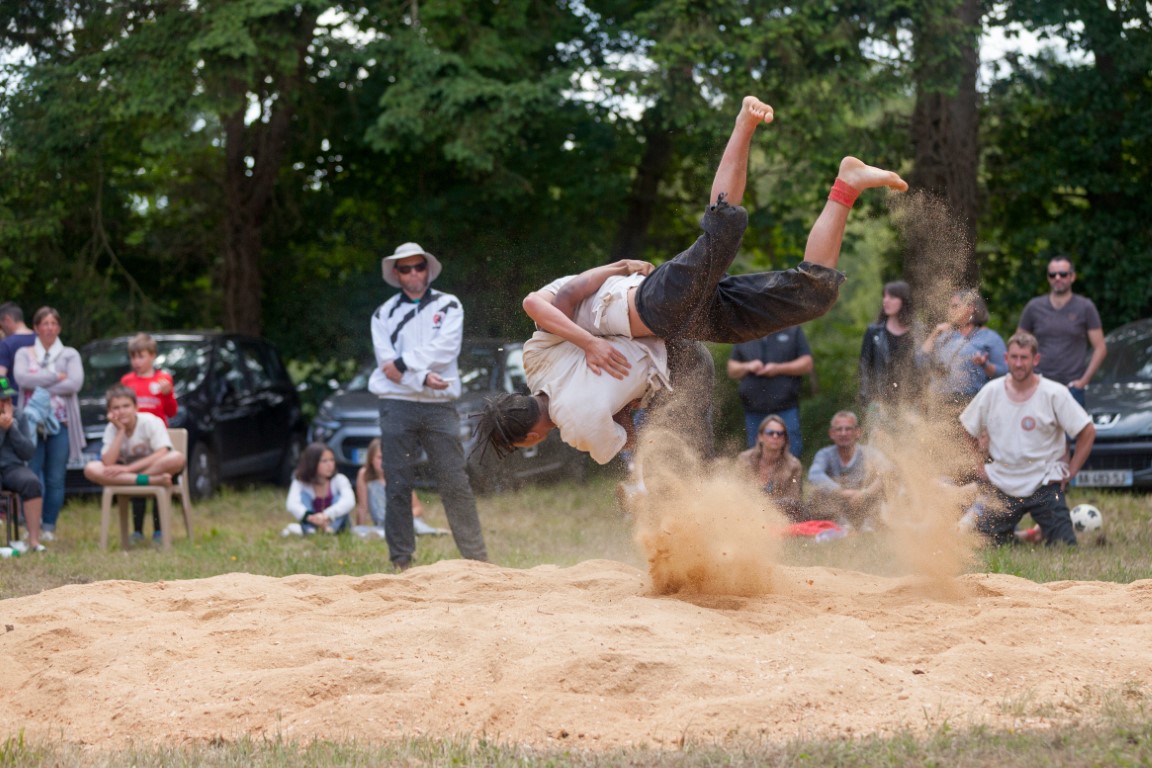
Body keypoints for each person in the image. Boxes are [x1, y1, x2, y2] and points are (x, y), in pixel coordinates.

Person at [475, 95, 908, 464]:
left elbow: (537, 303)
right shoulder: (548, 372)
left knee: (724, 230)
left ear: (529, 437)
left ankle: (744, 122)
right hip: (681, 332)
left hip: (650, 307)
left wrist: (594, 334)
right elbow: (627, 422)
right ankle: (846, 186)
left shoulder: (549, 381)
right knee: (812, 296)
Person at [369, 241, 487, 570]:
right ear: (396, 273)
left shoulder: (450, 306)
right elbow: (386, 367)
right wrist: (420, 378)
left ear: (428, 269)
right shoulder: (383, 314)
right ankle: (401, 560)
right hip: (397, 403)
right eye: (405, 268)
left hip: (439, 405)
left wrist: (406, 366)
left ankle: (477, 559)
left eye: (418, 266)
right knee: (397, 481)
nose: (413, 273)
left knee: (454, 480)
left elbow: (445, 350)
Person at [959, 331, 1096, 546]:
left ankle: (1040, 533)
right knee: (983, 543)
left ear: (1036, 360)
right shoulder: (991, 392)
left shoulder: (1054, 393)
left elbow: (1087, 431)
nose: (1019, 363)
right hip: (1002, 481)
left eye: (1024, 357)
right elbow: (967, 429)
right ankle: (1026, 537)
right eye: (1014, 357)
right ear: (1006, 359)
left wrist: (1072, 471)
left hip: (1045, 482)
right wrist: (979, 466)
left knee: (1064, 545)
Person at [12, 307, 86, 541]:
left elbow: (74, 384)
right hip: (31, 426)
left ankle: (48, 526)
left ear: (59, 327)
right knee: (31, 475)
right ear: (36, 327)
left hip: (61, 423)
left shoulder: (69, 354)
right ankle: (30, 525)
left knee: (55, 477)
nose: (49, 327)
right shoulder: (24, 353)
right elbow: (22, 379)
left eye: (54, 323)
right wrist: (56, 377)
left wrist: (39, 385)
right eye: (44, 323)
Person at [1015, 256, 1107, 408]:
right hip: (1038, 385)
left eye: (1063, 274)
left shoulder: (1085, 307)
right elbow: (1018, 344)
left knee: (1074, 432)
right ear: (1048, 278)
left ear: (1072, 276)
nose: (1057, 278)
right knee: (1036, 431)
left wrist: (1084, 381)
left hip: (1072, 388)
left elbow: (1101, 348)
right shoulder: (1034, 307)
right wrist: (1025, 376)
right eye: (1053, 274)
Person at [120, 333, 179, 543]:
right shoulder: (127, 381)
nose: (137, 361)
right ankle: (136, 530)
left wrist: (168, 393)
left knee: (160, 481)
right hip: (136, 444)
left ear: (153, 355)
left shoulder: (163, 380)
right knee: (139, 482)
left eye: (141, 356)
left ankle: (158, 530)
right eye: (133, 357)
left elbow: (171, 412)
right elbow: (121, 411)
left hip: (159, 444)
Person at [728, 327, 813, 456]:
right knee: (756, 455)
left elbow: (807, 364)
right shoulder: (745, 332)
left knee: (791, 452)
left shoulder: (792, 330)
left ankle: (792, 477)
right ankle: (757, 477)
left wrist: (778, 368)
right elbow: (732, 369)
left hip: (786, 407)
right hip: (753, 408)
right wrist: (747, 366)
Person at [83, 384, 186, 489]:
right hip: (134, 473)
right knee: (91, 468)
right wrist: (121, 431)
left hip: (151, 468)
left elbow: (162, 452)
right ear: (109, 411)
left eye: (126, 406)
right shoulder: (111, 428)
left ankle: (135, 480)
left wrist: (129, 469)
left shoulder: (150, 421)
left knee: (177, 457)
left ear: (136, 407)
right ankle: (149, 481)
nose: (122, 411)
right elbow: (108, 463)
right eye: (116, 408)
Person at [918, 289, 1007, 410]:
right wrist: (934, 334)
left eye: (955, 306)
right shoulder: (945, 336)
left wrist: (985, 364)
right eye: (950, 307)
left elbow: (1004, 373)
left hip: (971, 404)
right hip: (939, 403)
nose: (950, 311)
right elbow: (920, 361)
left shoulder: (989, 338)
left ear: (970, 308)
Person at [807, 411, 887, 529]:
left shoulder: (869, 453)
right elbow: (814, 475)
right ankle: (841, 525)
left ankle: (871, 523)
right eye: (839, 429)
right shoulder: (824, 454)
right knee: (817, 491)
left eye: (848, 429)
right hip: (837, 506)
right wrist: (841, 492)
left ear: (857, 432)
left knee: (885, 484)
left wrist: (865, 493)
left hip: (865, 503)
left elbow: (888, 472)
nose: (843, 433)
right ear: (832, 433)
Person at [354, 438, 447, 536]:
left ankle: (432, 532)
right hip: (382, 526)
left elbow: (418, 508)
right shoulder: (364, 475)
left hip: (402, 520)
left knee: (412, 525)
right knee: (358, 530)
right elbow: (362, 507)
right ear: (371, 459)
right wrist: (360, 528)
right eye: (380, 458)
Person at [0, 376, 46, 552]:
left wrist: (11, 428)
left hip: (13, 467)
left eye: (8, 399)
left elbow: (28, 452)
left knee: (32, 482)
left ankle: (34, 541)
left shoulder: (19, 415)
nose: (6, 403)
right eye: (1, 399)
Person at [858, 280, 918, 409]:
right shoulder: (873, 332)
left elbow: (924, 366)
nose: (885, 300)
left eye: (891, 297)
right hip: (880, 403)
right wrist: (867, 399)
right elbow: (864, 367)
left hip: (910, 404)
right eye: (884, 296)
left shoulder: (918, 332)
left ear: (904, 300)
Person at [737, 414, 804, 521]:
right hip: (746, 515)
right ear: (760, 437)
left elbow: (794, 501)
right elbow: (738, 493)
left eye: (780, 433)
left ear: (785, 439)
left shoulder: (793, 466)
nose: (775, 436)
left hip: (778, 517)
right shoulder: (744, 460)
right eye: (770, 433)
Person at [283, 442, 354, 535]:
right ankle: (311, 530)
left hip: (336, 523)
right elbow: (292, 504)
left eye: (332, 460)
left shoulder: (339, 479)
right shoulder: (300, 482)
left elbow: (349, 501)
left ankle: (330, 530)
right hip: (313, 522)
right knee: (304, 497)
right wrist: (311, 517)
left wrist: (327, 515)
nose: (330, 465)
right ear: (312, 462)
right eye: (324, 461)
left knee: (339, 498)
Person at [0, 303, 37, 395]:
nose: (2, 330)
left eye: (1, 325)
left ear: (7, 319)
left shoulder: (6, 344)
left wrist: (7, 393)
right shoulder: (40, 339)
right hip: (42, 400)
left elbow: (1, 377)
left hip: (17, 403)